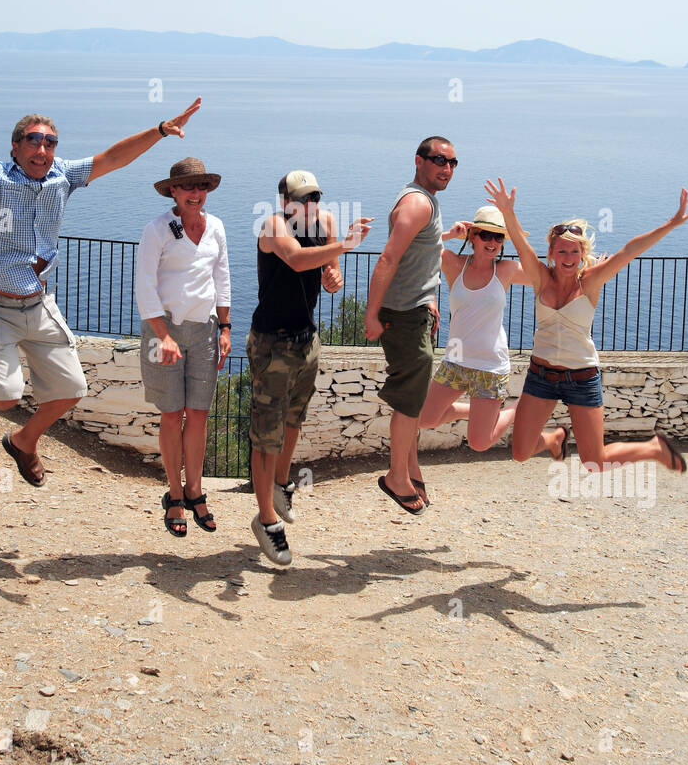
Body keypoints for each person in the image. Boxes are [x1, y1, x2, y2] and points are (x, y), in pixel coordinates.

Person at [0, 102, 200, 485]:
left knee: (71, 389)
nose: (42, 150)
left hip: (37, 303)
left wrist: (161, 129)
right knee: (5, 395)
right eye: (33, 141)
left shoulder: (62, 176)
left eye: (50, 142)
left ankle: (24, 441)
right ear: (15, 147)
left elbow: (113, 158)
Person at [485, 178, 688, 476]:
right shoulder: (541, 278)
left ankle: (654, 448)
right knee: (519, 453)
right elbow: (520, 242)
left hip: (581, 378)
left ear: (582, 253)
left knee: (595, 463)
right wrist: (507, 212)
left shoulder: (590, 282)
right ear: (551, 253)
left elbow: (628, 251)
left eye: (574, 252)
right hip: (541, 376)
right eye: (562, 252)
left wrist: (671, 223)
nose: (568, 258)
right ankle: (555, 439)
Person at [248, 171, 372, 566]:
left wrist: (335, 274)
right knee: (266, 435)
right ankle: (266, 520)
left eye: (314, 198)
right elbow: (298, 260)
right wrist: (345, 246)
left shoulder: (326, 224)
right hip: (272, 341)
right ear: (284, 200)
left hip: (307, 338)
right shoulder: (272, 226)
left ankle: (281, 485)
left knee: (294, 419)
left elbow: (329, 274)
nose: (309, 205)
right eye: (301, 198)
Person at [416, 205, 568, 463]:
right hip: (456, 361)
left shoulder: (507, 269)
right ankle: (475, 411)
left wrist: (586, 267)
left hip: (489, 366)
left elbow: (548, 277)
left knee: (479, 443)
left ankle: (516, 410)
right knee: (424, 419)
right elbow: (417, 244)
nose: (492, 242)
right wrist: (450, 234)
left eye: (498, 237)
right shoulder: (454, 264)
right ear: (472, 236)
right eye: (485, 235)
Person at [135, 158, 230, 538]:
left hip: (204, 331)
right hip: (164, 331)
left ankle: (195, 491)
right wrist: (164, 335)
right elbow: (144, 285)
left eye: (201, 187)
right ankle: (174, 496)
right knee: (172, 415)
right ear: (173, 191)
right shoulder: (157, 230)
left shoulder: (217, 227)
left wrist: (224, 327)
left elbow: (222, 278)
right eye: (188, 187)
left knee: (200, 414)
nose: (196, 194)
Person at [364, 136, 456, 514]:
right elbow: (388, 258)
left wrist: (448, 237)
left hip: (414, 310)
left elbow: (419, 251)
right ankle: (395, 476)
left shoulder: (423, 202)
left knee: (414, 400)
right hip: (402, 315)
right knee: (408, 402)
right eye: (438, 160)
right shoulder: (418, 202)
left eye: (452, 162)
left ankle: (410, 467)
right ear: (419, 160)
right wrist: (371, 314)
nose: (446, 168)